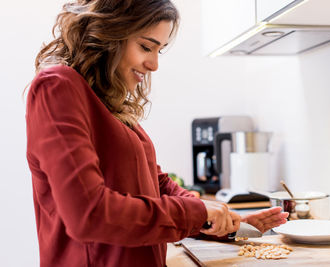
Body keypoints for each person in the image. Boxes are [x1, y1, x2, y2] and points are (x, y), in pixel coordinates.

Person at [25, 0, 289, 266]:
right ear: (109, 34)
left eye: (158, 51)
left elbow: (157, 184)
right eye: (145, 46)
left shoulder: (107, 103)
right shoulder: (57, 87)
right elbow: (89, 213)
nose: (153, 65)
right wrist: (196, 212)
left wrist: (220, 219)